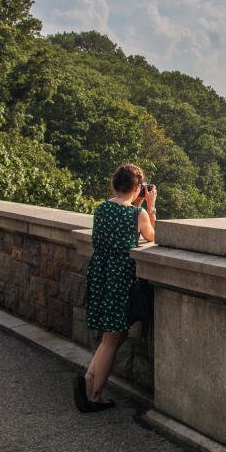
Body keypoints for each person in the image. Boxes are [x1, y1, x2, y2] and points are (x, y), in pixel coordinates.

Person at [74, 163, 157, 412]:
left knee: (112, 335)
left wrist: (139, 203)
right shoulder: (136, 214)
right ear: (138, 187)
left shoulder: (101, 208)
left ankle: (88, 379)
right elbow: (152, 236)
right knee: (112, 338)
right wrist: (150, 206)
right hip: (121, 277)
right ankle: (94, 395)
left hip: (100, 273)